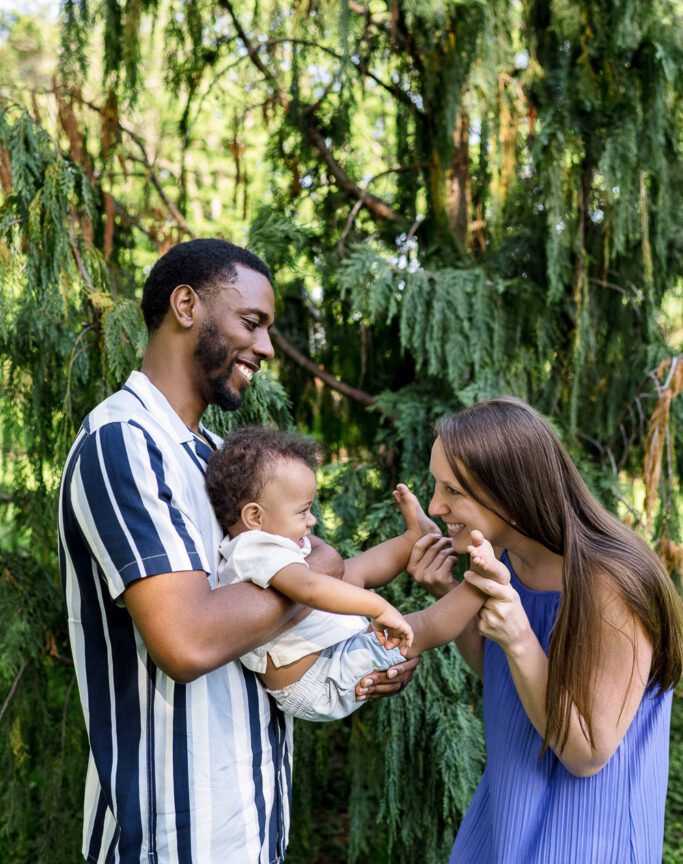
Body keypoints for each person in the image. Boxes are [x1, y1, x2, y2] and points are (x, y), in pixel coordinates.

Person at [57, 238, 416, 864]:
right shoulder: (125, 442)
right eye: (251, 322)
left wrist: (355, 653)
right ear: (186, 305)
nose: (267, 347)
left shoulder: (222, 460)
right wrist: (306, 580)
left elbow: (321, 562)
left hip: (253, 825)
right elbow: (189, 641)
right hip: (169, 838)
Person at [404, 396, 683, 864]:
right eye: (436, 485)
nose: (435, 504)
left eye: (453, 490)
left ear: (509, 493)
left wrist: (517, 635)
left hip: (588, 836)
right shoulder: (504, 559)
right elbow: (504, 680)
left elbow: (588, 753)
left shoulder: (611, 582)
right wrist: (447, 591)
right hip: (504, 821)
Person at [204, 427, 507, 721]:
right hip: (318, 680)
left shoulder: (269, 542)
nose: (311, 521)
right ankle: (480, 586)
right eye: (302, 511)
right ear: (254, 516)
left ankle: (412, 540)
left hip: (322, 656)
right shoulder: (254, 549)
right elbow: (309, 587)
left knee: (349, 573)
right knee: (415, 630)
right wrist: (379, 607)